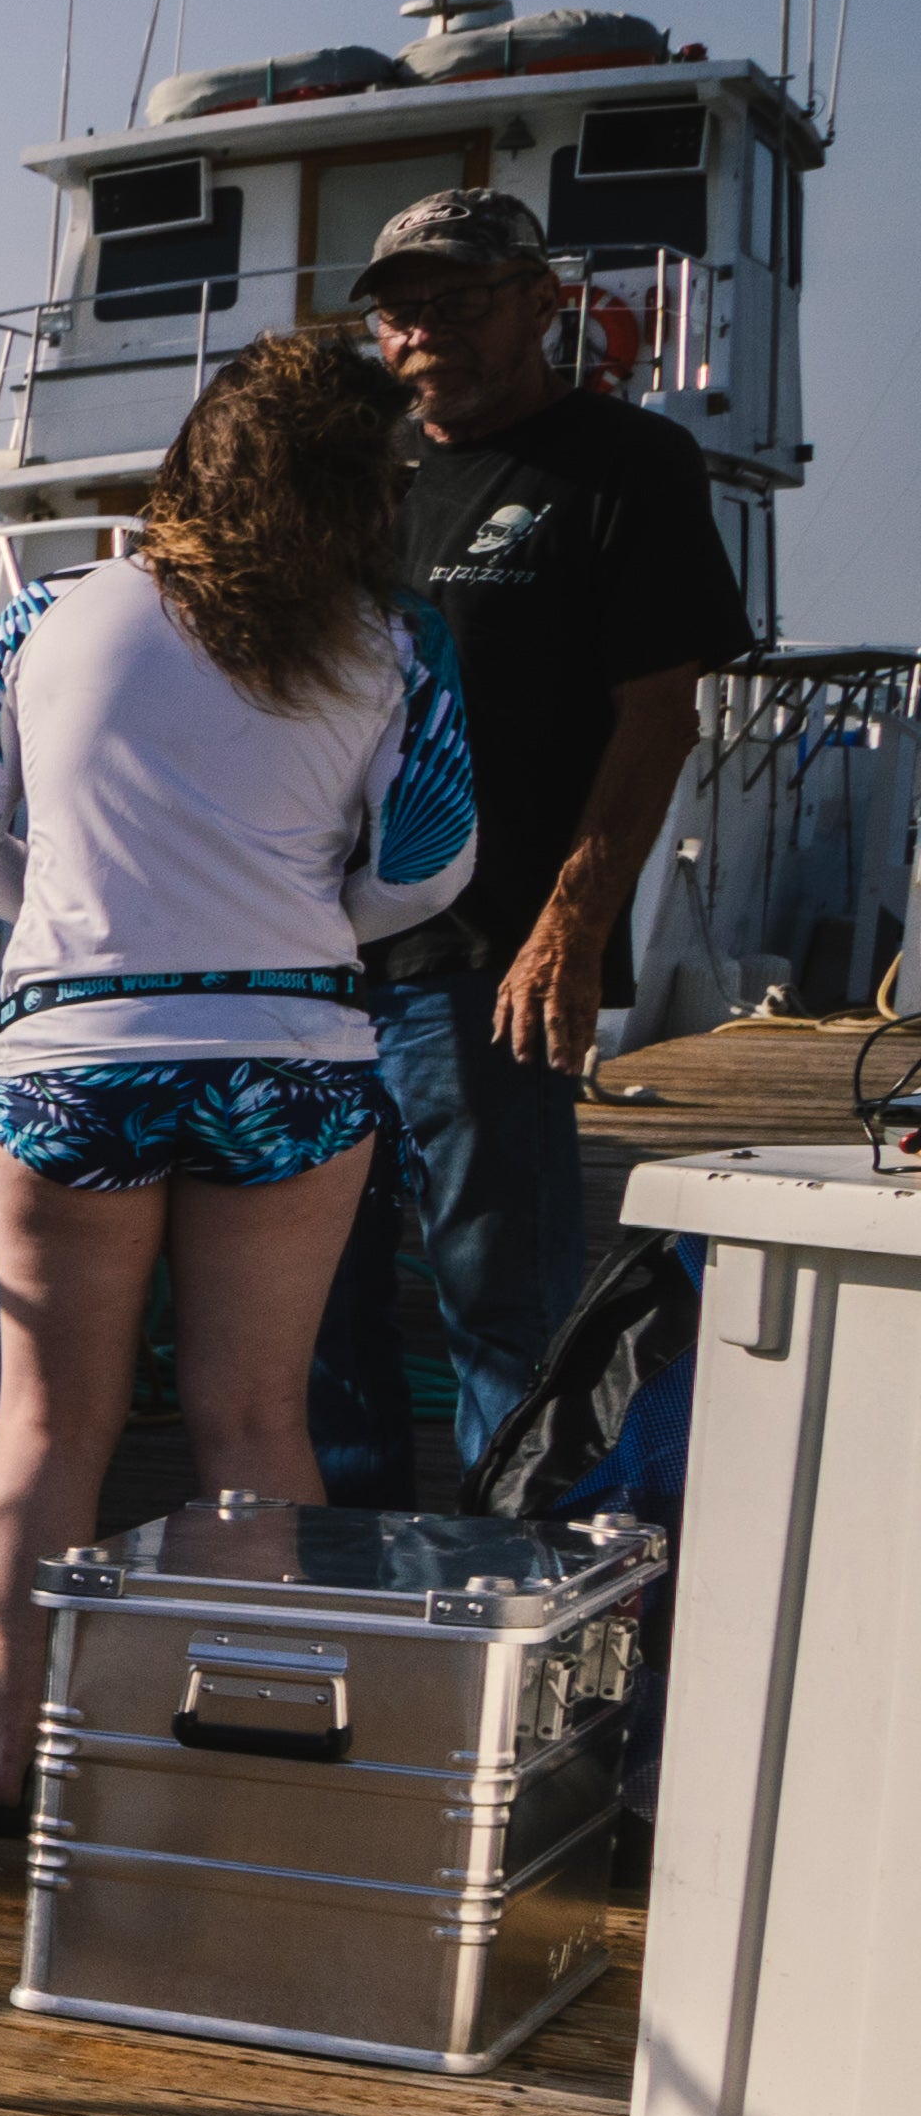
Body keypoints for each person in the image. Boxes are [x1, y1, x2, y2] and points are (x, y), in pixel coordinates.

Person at [0, 325, 482, 1828]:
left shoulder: (45, 618)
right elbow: (425, 873)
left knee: (47, 1428)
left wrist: (80, 935)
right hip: (290, 1062)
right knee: (252, 1426)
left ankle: (1, 1764)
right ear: (364, 490)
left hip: (74, 1054)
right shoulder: (392, 647)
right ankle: (234, 1758)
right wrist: (287, 939)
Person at [298, 185, 756, 1500]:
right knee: (317, 1318)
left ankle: (524, 1595)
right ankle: (355, 1586)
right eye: (400, 310)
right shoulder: (361, 482)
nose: (423, 329)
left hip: (489, 964)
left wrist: (572, 926)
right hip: (320, 963)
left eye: (459, 300)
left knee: (506, 1313)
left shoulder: (626, 465)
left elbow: (657, 711)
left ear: (544, 303)